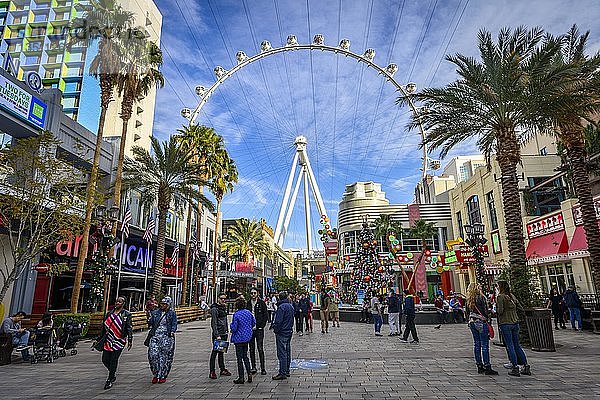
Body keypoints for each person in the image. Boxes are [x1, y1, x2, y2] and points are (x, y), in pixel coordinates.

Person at [497, 280, 531, 377]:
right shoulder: (512, 296)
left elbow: (500, 311)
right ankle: (525, 365)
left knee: (510, 345)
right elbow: (520, 308)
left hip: (506, 323)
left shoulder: (501, 297)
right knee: (517, 345)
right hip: (515, 322)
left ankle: (515, 366)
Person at [101, 297, 133, 390]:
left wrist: (130, 339)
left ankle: (110, 379)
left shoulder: (126, 314)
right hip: (108, 340)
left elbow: (129, 327)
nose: (117, 303)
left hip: (119, 340)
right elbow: (103, 327)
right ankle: (113, 373)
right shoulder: (109, 313)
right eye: (116, 301)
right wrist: (99, 339)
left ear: (123, 303)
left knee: (114, 360)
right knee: (105, 359)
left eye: (120, 301)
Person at [466, 282, 498, 375]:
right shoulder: (481, 298)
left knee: (476, 344)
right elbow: (485, 311)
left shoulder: (468, 299)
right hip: (481, 322)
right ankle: (487, 366)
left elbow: (467, 312)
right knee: (484, 345)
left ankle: (479, 366)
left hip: (472, 322)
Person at [147, 296, 177, 384]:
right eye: (162, 303)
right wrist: (149, 316)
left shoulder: (172, 313)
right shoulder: (156, 312)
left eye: (165, 304)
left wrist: (172, 331)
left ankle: (162, 375)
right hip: (155, 335)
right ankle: (156, 373)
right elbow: (151, 322)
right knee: (153, 355)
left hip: (166, 336)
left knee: (164, 357)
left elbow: (174, 323)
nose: (163, 305)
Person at [231, 296, 256, 384]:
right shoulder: (248, 313)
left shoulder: (236, 314)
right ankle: (249, 373)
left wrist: (231, 326)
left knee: (239, 358)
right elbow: (253, 323)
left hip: (238, 338)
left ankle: (241, 377)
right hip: (247, 338)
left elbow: (234, 328)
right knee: (245, 356)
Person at [271, 291, 294, 380]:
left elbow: (278, 321)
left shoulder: (281, 307)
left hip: (282, 332)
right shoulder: (290, 306)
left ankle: (282, 372)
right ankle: (287, 370)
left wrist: (276, 330)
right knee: (287, 351)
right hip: (289, 330)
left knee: (282, 353)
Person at [209, 293, 231, 379]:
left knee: (221, 352)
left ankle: (222, 369)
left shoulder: (223, 308)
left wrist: (226, 330)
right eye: (221, 298)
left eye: (224, 299)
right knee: (214, 352)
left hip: (224, 333)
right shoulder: (215, 309)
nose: (223, 300)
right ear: (218, 299)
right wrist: (216, 334)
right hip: (218, 334)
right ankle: (212, 371)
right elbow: (213, 323)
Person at [246, 288, 268, 375]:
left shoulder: (261, 303)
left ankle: (263, 368)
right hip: (250, 329)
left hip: (259, 329)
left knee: (260, 348)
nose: (253, 295)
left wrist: (261, 326)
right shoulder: (248, 303)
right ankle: (253, 367)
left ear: (257, 294)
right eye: (251, 293)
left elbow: (265, 315)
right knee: (251, 349)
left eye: (254, 293)